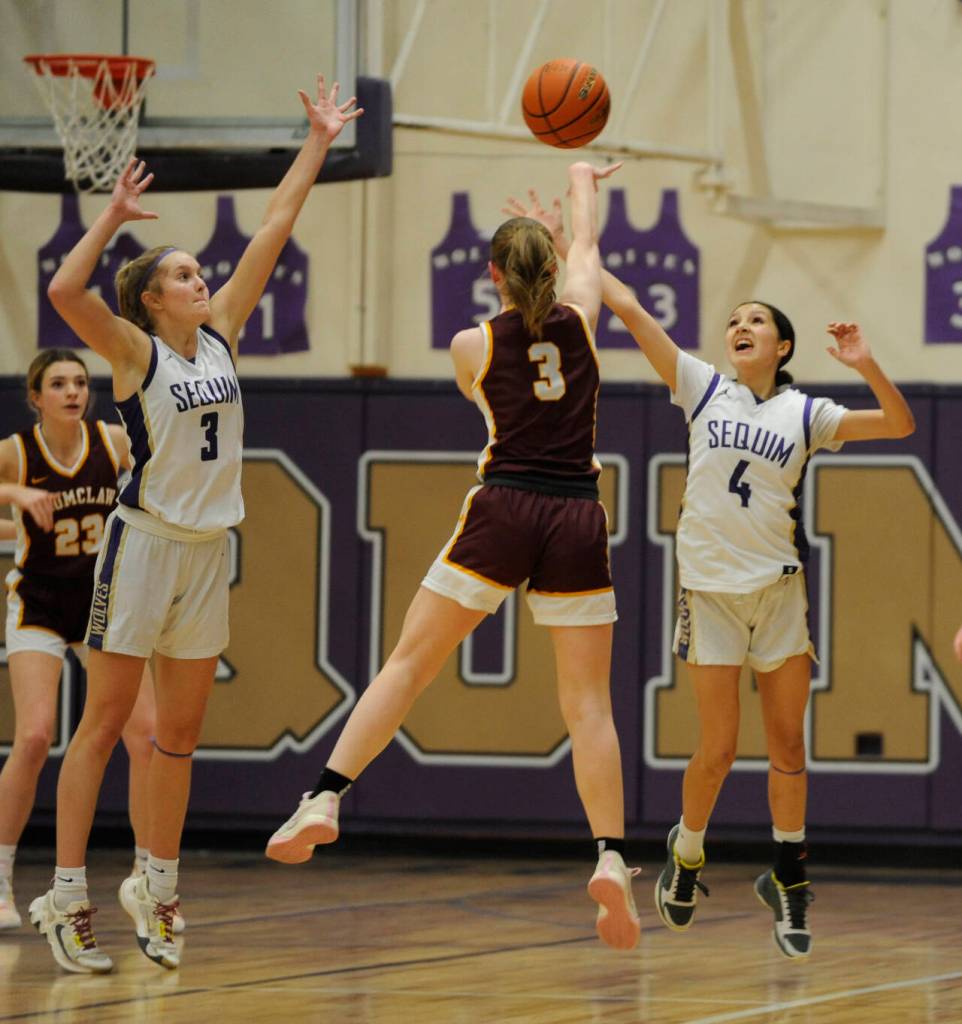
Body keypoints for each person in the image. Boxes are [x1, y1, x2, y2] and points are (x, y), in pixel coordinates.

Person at [505, 188, 915, 959]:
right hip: (711, 594)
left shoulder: (807, 414)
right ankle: (687, 852)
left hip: (778, 591)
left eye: (756, 320)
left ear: (782, 347)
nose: (740, 327)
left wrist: (867, 365)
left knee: (789, 749)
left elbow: (899, 423)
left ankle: (788, 877)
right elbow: (626, 305)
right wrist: (563, 246)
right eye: (734, 320)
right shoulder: (701, 386)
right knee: (718, 750)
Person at [30, 74, 362, 975]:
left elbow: (275, 226)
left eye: (195, 270)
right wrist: (111, 216)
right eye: (181, 273)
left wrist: (318, 140)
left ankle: (158, 885)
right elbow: (65, 289)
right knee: (102, 727)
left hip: (207, 554)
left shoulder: (222, 334)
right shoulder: (133, 351)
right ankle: (67, 894)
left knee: (175, 738)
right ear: (151, 299)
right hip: (140, 548)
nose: (200, 276)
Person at [266, 160, 642, 952]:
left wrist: (545, 242)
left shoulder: (471, 343)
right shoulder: (583, 319)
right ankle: (610, 855)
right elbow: (589, 246)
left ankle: (325, 797)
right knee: (589, 707)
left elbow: (538, 303)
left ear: (493, 274)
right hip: (577, 513)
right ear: (552, 267)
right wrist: (581, 175)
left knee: (409, 664)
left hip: (504, 505)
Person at [0, 350, 173, 934]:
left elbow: (160, 469)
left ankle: (146, 876)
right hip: (41, 605)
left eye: (79, 381)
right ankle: (0, 877)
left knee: (146, 736)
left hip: (104, 606)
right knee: (34, 737)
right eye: (58, 384)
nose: (72, 391)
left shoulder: (112, 441)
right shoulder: (16, 452)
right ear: (36, 398)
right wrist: (15, 496)